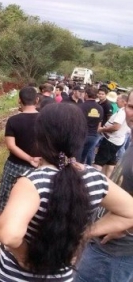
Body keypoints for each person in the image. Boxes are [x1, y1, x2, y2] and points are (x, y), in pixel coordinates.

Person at [0, 103, 133, 282]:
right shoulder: (95, 178)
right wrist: (85, 233)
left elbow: (8, 234)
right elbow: (130, 212)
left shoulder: (33, 182)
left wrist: (24, 257)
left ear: (40, 137)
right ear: (81, 137)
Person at [75, 91, 133, 282]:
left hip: (116, 253)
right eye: (132, 107)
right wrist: (85, 172)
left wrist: (125, 229)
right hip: (101, 241)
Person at [0, 86, 40, 213]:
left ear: (19, 100)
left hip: (14, 165)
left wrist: (29, 158)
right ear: (37, 100)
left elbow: (11, 145)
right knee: (32, 198)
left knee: (5, 196)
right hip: (38, 166)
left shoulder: (13, 120)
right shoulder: (46, 119)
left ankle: (0, 226)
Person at [94, 94, 129, 177]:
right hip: (118, 140)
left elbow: (116, 127)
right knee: (111, 161)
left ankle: (95, 178)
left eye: (118, 100)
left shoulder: (122, 112)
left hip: (110, 140)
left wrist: (102, 129)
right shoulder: (125, 111)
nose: (116, 102)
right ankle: (108, 178)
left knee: (99, 161)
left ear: (123, 102)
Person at [79, 87, 103, 165]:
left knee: (76, 158)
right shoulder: (100, 108)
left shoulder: (81, 106)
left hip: (81, 135)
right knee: (83, 157)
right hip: (93, 136)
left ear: (86, 94)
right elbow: (99, 124)